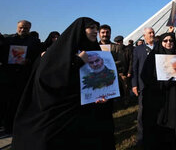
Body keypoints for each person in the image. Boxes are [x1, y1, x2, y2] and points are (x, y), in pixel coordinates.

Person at [11, 17, 115, 149]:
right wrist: (78, 61)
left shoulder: (97, 52)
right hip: (61, 115)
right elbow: (50, 78)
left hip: (87, 112)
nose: (96, 31)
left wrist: (104, 95)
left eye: (96, 28)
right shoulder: (58, 53)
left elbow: (104, 79)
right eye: (91, 28)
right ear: (80, 30)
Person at [141, 30, 176, 150]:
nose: (168, 42)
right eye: (165, 40)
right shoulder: (153, 57)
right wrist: (162, 81)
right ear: (161, 42)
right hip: (160, 98)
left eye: (171, 40)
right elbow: (145, 76)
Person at [2, 20, 41, 135]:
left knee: (21, 102)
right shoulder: (8, 40)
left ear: (29, 29)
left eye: (26, 28)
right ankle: (7, 126)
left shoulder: (34, 42)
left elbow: (37, 57)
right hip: (9, 75)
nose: (23, 30)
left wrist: (29, 61)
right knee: (8, 102)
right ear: (17, 27)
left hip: (25, 76)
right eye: (21, 28)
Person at [131, 27, 155, 145]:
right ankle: (141, 137)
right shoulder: (138, 49)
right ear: (144, 35)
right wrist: (134, 84)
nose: (152, 34)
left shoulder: (159, 47)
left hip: (157, 84)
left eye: (153, 32)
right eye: (149, 33)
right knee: (142, 111)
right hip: (143, 84)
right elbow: (134, 68)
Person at [99, 26, 132, 106]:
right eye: (103, 32)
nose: (105, 34)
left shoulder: (116, 47)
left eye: (107, 32)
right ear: (99, 34)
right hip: (99, 74)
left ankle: (125, 100)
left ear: (110, 34)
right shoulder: (94, 47)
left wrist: (109, 63)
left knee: (122, 88)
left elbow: (121, 60)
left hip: (115, 72)